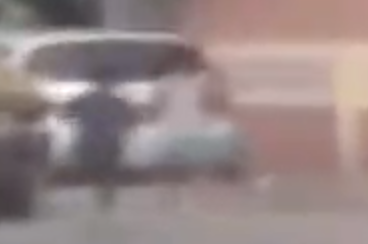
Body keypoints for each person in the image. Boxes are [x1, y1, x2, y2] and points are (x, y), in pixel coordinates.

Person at [133, 52, 247, 203]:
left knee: (161, 160)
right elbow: (221, 103)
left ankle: (168, 193)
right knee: (233, 138)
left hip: (168, 136)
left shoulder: (165, 83)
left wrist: (142, 117)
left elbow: (153, 110)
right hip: (199, 136)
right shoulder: (204, 81)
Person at [62, 64, 141, 212]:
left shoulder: (84, 99)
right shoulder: (119, 100)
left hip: (89, 138)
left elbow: (65, 114)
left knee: (95, 171)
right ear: (111, 81)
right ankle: (106, 196)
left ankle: (101, 196)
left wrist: (78, 121)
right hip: (111, 139)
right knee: (109, 171)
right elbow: (132, 119)